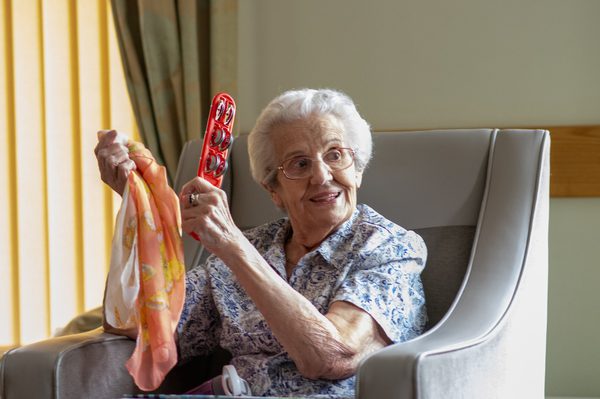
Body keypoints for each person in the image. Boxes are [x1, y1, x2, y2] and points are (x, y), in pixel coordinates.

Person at [95, 88, 427, 397]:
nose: (322, 175)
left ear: (357, 170)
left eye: (335, 155)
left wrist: (234, 247)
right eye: (300, 164)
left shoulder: (389, 247)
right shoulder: (254, 245)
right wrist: (138, 204)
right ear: (274, 191)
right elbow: (138, 323)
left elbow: (333, 356)